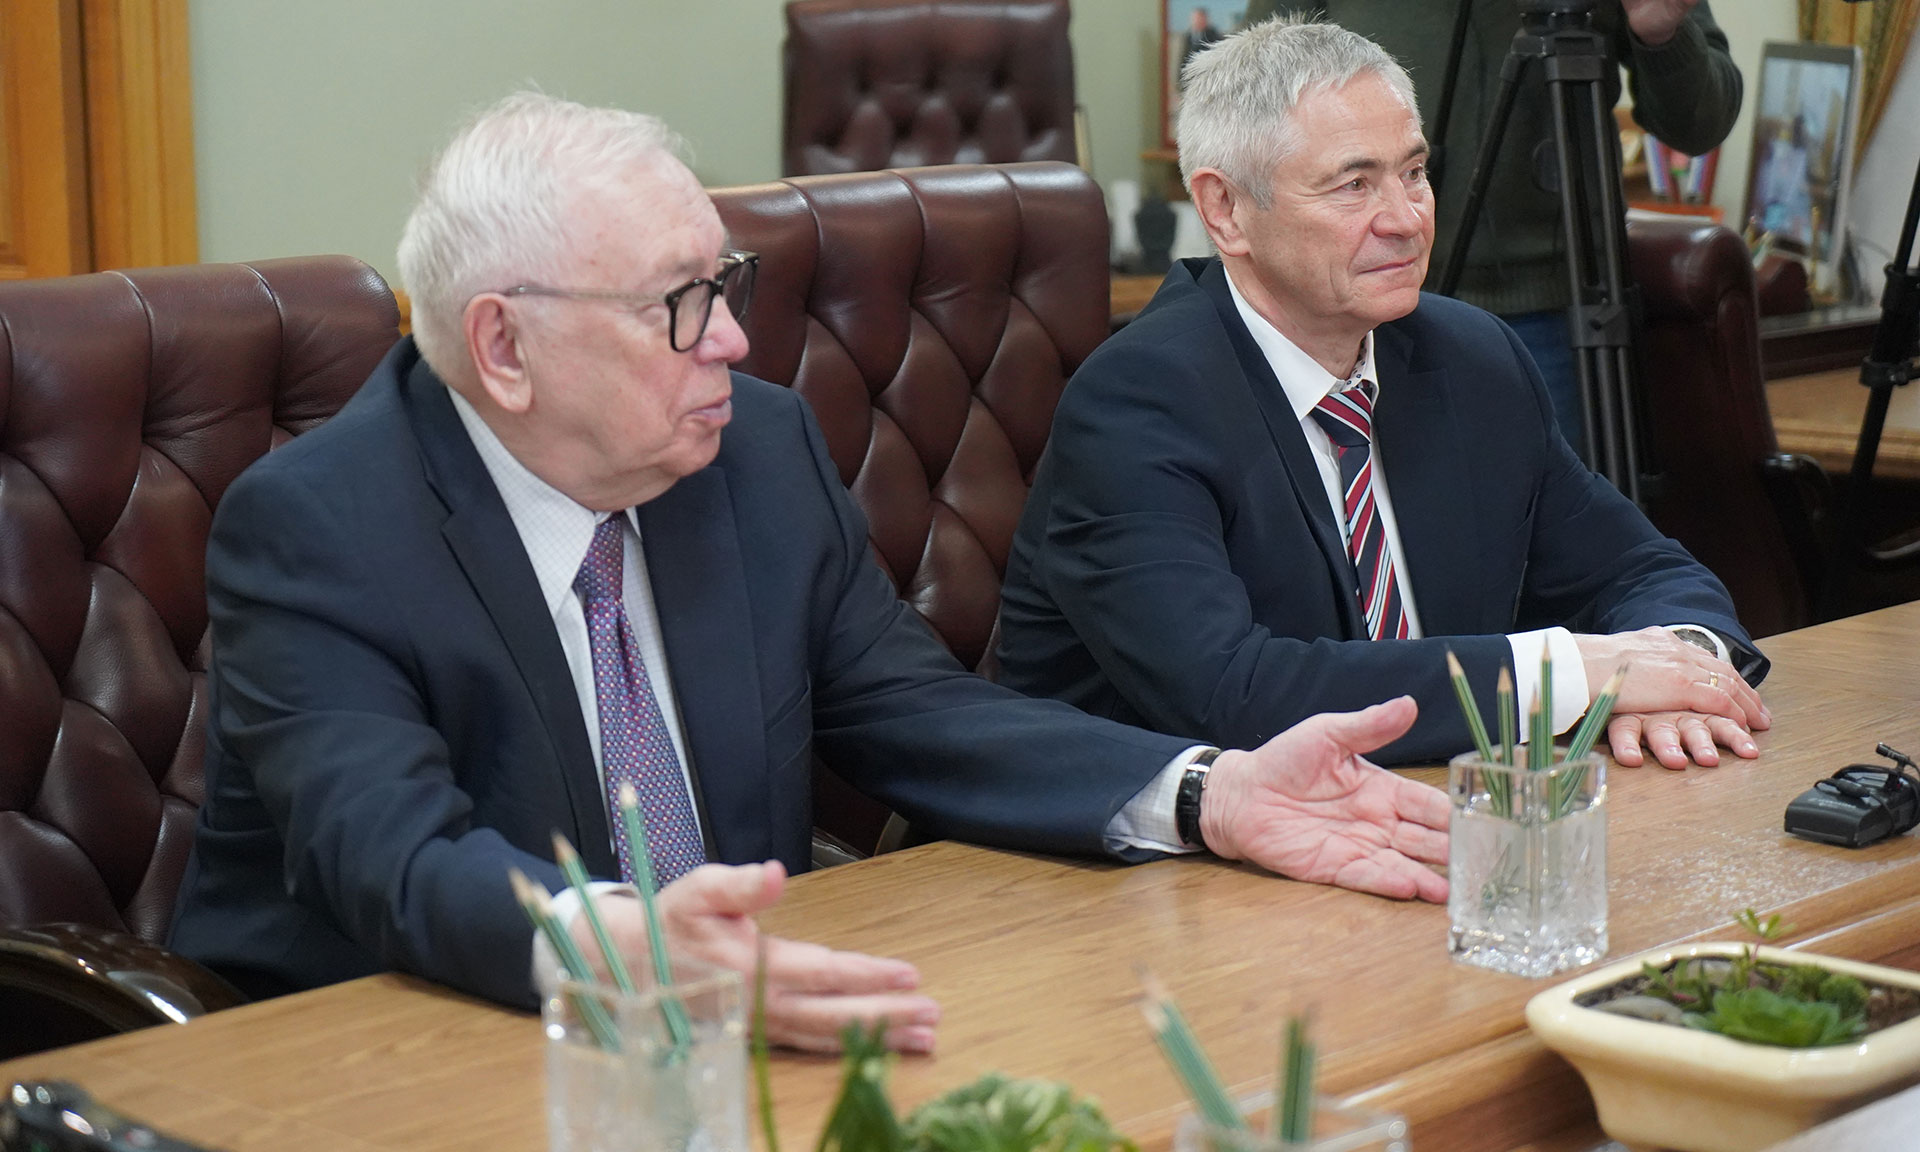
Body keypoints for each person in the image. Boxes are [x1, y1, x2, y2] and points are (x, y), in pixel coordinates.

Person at [168, 92, 1452, 1054]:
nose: (732, 339)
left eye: (724, 283)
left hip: (739, 1034)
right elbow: (393, 860)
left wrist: (1207, 793)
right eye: (679, 303)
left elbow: (916, 712)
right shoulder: (323, 527)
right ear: (504, 347)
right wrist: (615, 946)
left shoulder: (752, 450)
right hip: (402, 1046)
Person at [995, 17, 1769, 780]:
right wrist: (1574, 674)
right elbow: (1233, 695)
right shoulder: (1138, 403)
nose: (1405, 220)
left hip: (1430, 805)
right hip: (1146, 845)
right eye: (1354, 185)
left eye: (1415, 172)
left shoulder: (1471, 358)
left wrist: (1682, 669)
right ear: (1225, 210)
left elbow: (1640, 569)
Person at [1248, 0, 1741, 450]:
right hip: (1362, 309)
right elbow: (1252, 106)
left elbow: (1703, 124)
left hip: (1558, 309)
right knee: (1371, 511)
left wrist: (1661, 34)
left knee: (1562, 515)